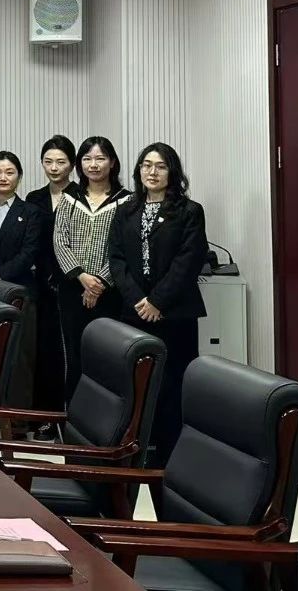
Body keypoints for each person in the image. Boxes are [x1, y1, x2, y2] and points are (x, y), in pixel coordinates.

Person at [109, 142, 207, 467]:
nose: (152, 172)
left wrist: (157, 301)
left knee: (173, 386)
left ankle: (172, 458)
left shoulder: (189, 211)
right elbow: (116, 259)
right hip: (134, 312)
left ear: (172, 172)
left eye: (161, 166)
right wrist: (139, 299)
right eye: (146, 165)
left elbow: (188, 262)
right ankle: (138, 450)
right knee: (137, 384)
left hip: (174, 314)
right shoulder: (125, 210)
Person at [53, 135, 130, 403]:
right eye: (87, 159)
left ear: (112, 162)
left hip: (110, 292)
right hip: (72, 290)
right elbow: (60, 241)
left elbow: (125, 248)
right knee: (74, 353)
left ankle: (105, 418)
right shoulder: (69, 197)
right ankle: (73, 415)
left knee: (107, 354)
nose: (93, 165)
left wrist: (99, 283)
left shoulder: (126, 201)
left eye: (100, 158)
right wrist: (82, 277)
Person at [0, 150, 42, 408]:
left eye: (9, 172)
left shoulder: (31, 212)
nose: (3, 178)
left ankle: (17, 416)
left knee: (20, 355)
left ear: (19, 177)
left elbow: (29, 252)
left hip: (19, 292)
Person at [24, 134, 77, 435]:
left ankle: (72, 420)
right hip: (41, 285)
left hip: (73, 285)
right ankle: (44, 417)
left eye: (61, 162)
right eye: (48, 162)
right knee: (44, 352)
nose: (54, 168)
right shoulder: (34, 198)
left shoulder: (82, 196)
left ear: (72, 164)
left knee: (70, 353)